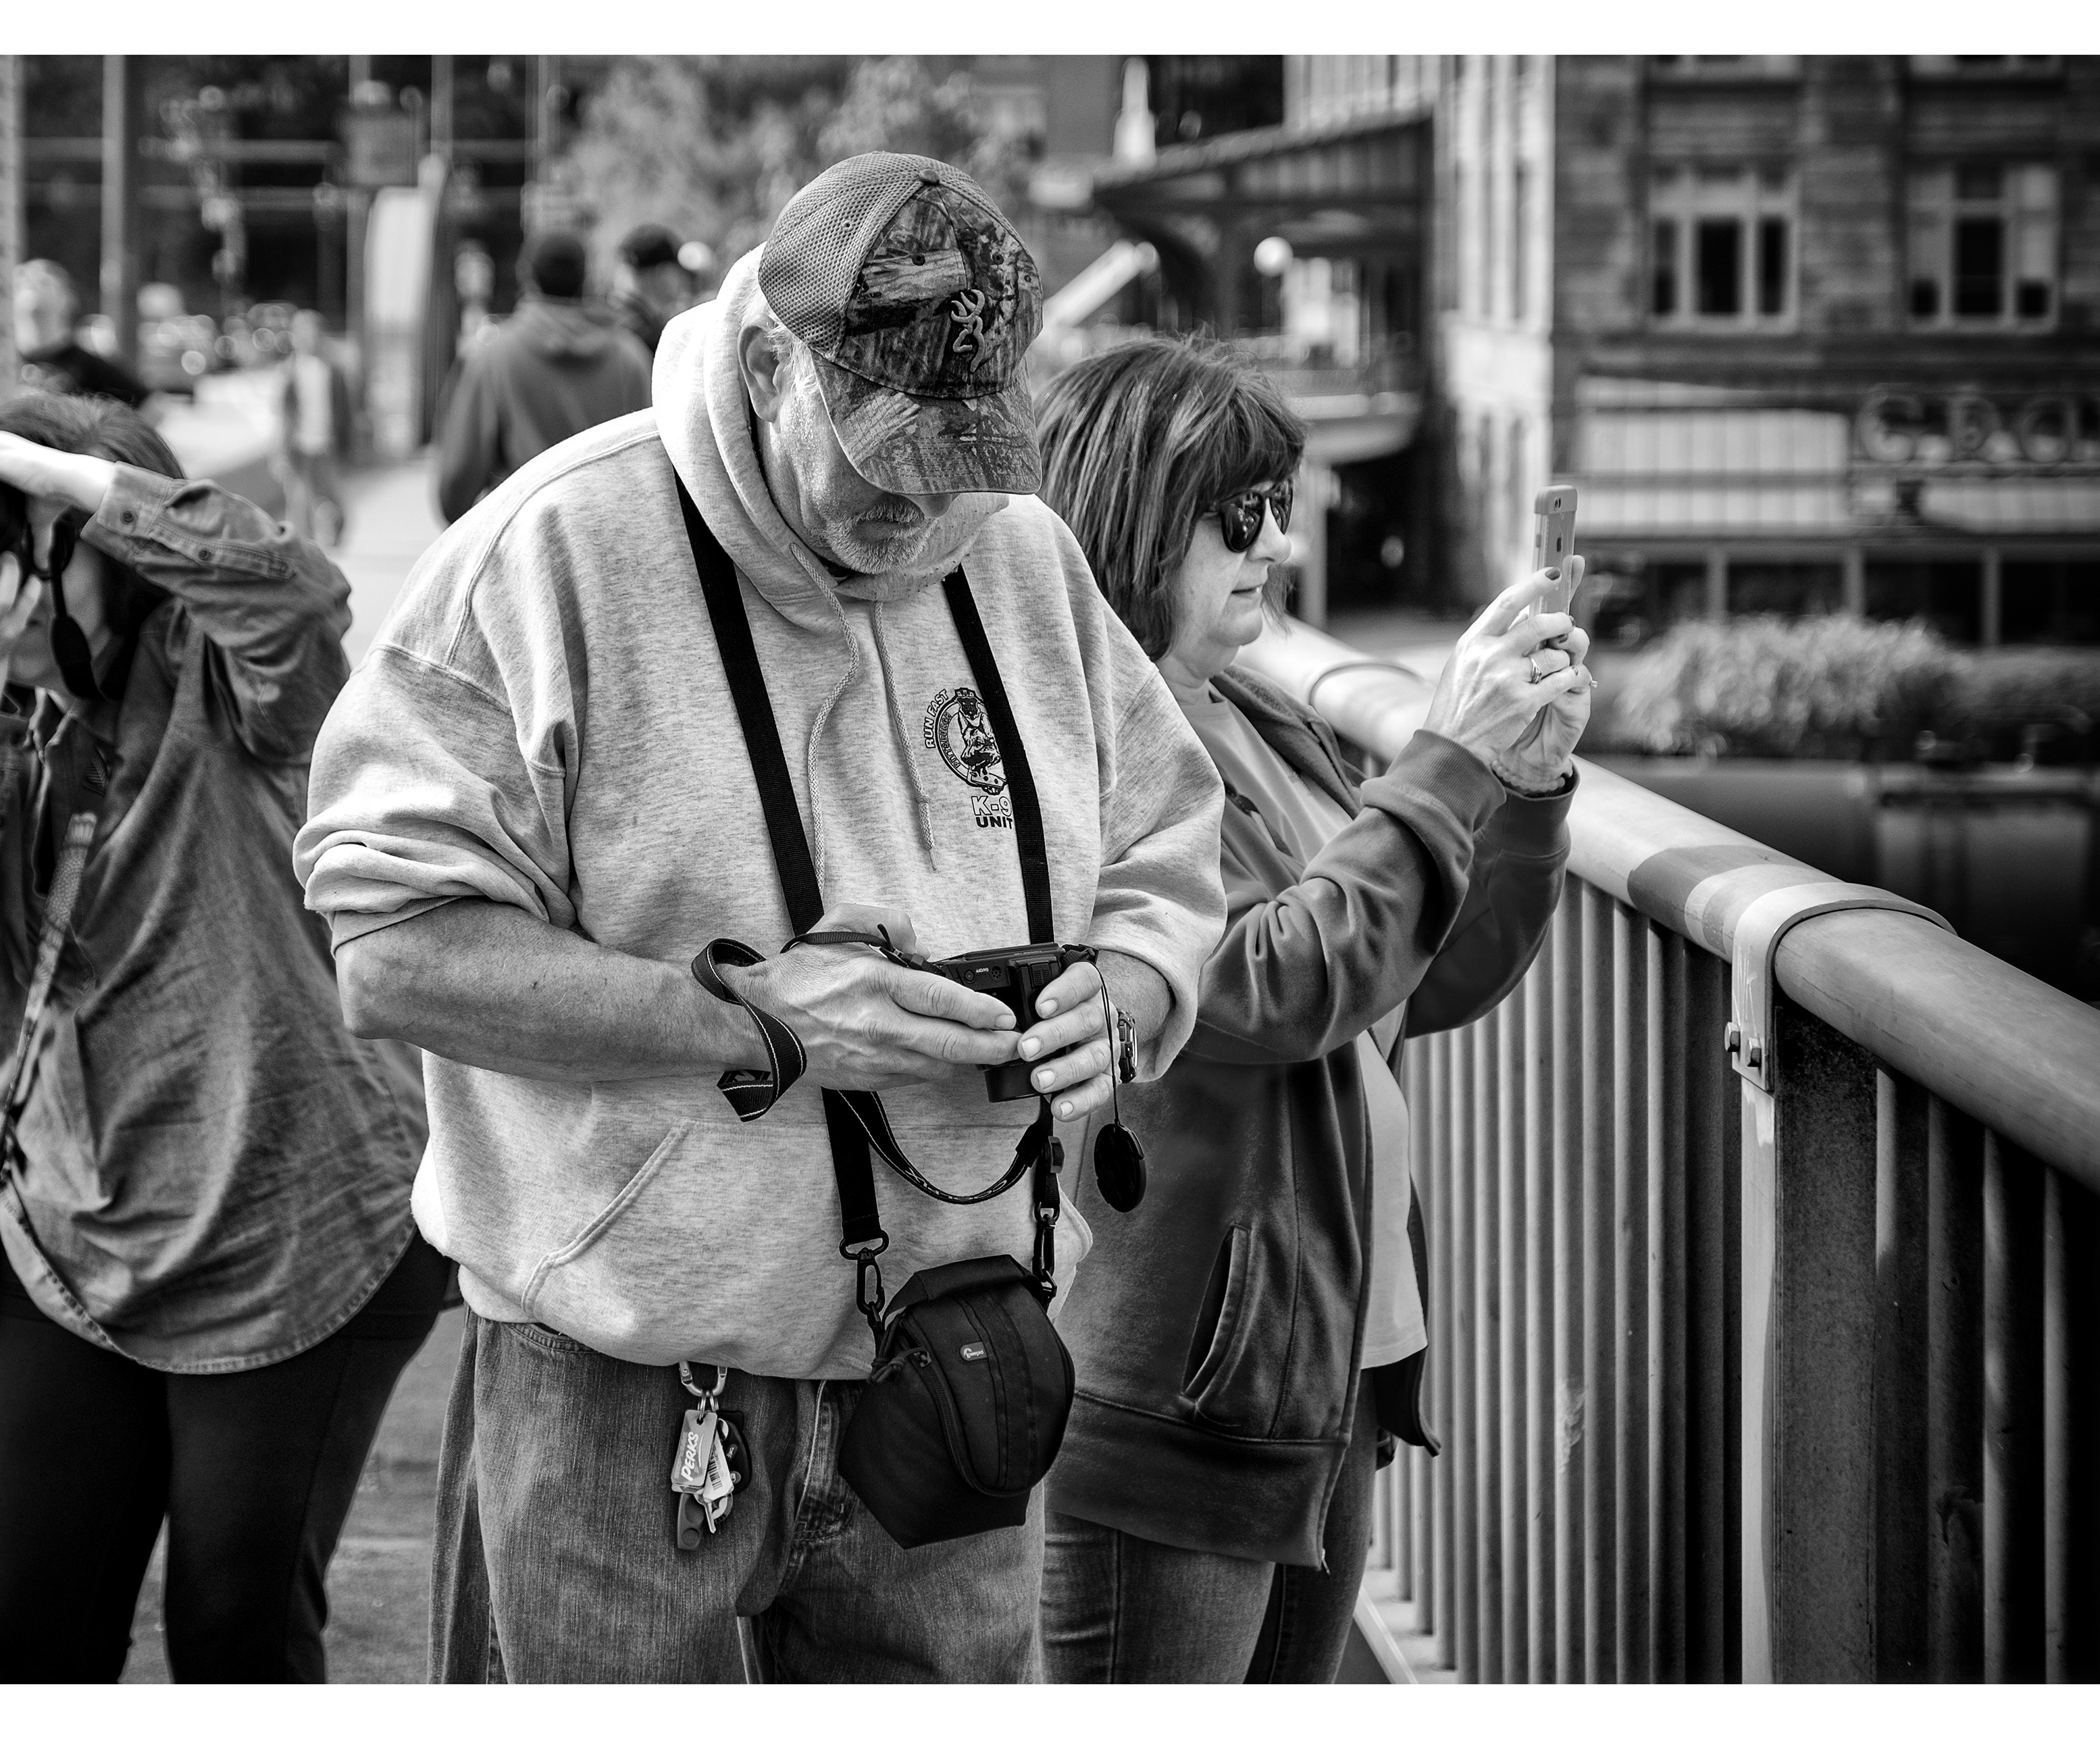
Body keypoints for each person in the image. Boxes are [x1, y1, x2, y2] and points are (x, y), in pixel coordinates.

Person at [297, 152, 1227, 1683]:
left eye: (964, 460)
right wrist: (761, 1021)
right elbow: (392, 955)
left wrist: (1126, 988)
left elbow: (1167, 846)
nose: (922, 512)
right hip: (626, 1382)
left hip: (959, 1368)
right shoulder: (547, 554)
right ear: (760, 363)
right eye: (881, 464)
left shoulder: (1022, 552)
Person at [1028, 336, 1591, 1682]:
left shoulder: (1253, 719)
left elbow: (1414, 970)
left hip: (1317, 1366)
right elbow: (1277, 985)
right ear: (1134, 514)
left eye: (1283, 508)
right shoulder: (1085, 760)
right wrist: (1447, 760)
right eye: (1242, 516)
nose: (1276, 546)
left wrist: (1522, 795)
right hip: (1179, 1393)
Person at [0, 395, 441, 1682]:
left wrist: (76, 485)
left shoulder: (237, 683)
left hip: (296, 1232)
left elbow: (293, 591)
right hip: (76, 1234)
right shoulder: (3, 714)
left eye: (34, 540)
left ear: (119, 546)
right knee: (26, 1639)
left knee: (234, 1636)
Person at [432, 228, 652, 524]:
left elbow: (458, 481)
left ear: (527, 278)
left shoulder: (494, 359)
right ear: (586, 280)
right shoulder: (631, 359)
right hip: (612, 539)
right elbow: (652, 466)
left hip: (524, 541)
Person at [13, 259, 150, 408]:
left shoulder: (91, 368)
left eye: (44, 281)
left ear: (68, 300)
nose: (32, 284)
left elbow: (153, 409)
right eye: (23, 280)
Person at [274, 309, 353, 548]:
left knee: (334, 499)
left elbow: (344, 410)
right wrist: (280, 450)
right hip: (299, 446)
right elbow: (282, 415)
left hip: (326, 444)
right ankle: (304, 549)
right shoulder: (289, 371)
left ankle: (337, 530)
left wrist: (348, 443)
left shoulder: (333, 370)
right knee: (300, 502)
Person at [611, 221, 696, 361]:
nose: (683, 280)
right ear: (663, 273)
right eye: (677, 271)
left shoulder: (606, 322)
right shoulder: (651, 338)